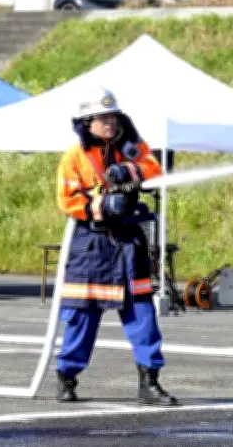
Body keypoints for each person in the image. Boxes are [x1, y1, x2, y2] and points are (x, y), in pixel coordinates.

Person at [54, 86, 178, 405]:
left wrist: (128, 170)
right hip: (91, 245)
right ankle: (66, 377)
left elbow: (154, 169)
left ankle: (149, 383)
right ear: (87, 123)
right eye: (103, 118)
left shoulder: (131, 146)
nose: (110, 123)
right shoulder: (74, 158)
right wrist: (101, 206)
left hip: (128, 242)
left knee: (142, 314)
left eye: (113, 116)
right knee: (81, 315)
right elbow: (66, 199)